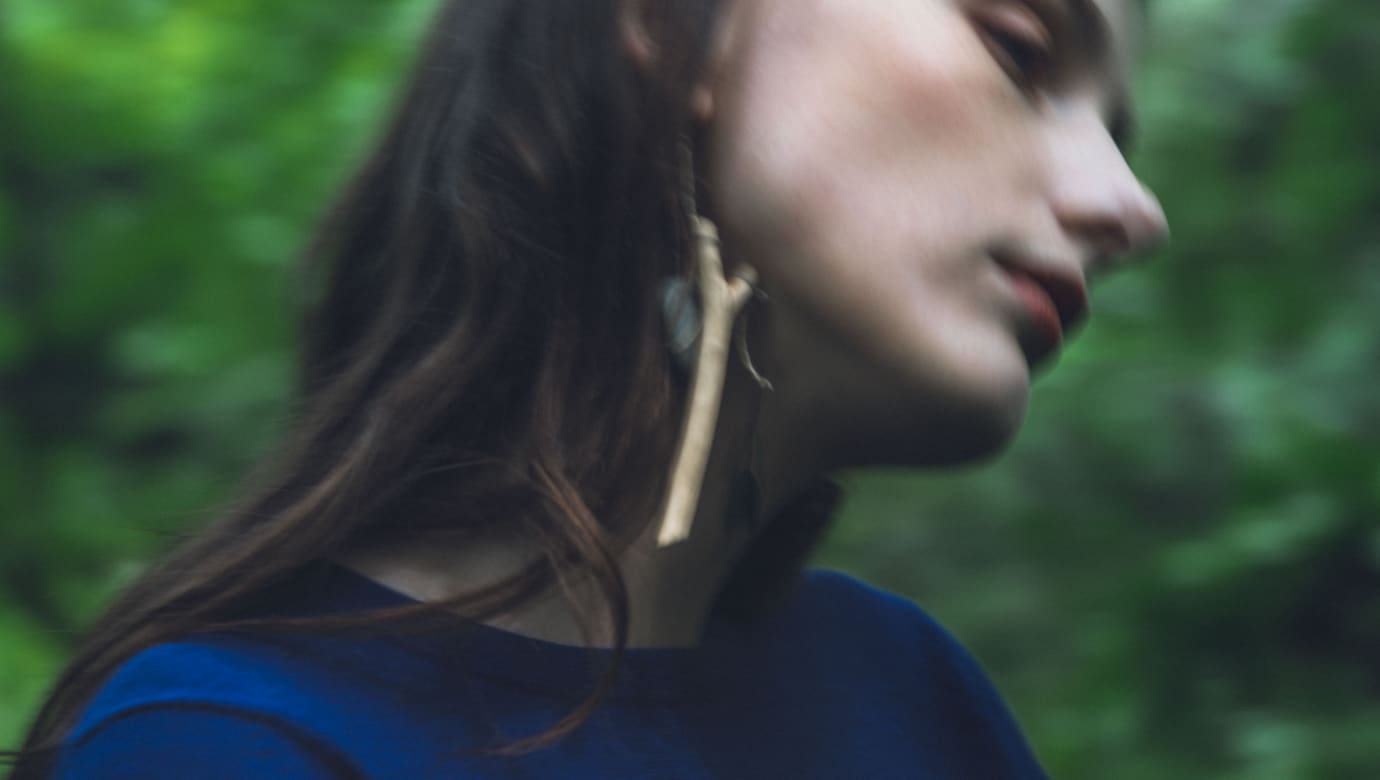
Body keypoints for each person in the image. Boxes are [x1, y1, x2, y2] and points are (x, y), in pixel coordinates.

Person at [8, 0, 1167, 777]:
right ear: (667, 30)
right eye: (1020, 51)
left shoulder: (917, 703)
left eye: (1121, 131)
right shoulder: (227, 748)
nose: (1130, 205)